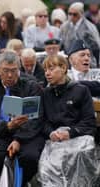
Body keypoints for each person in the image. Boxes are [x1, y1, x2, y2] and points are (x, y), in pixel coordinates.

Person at [0, 50, 45, 186]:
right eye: (5, 71)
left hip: (28, 135)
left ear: (19, 69)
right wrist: (7, 126)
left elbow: (36, 119)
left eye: (14, 70)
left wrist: (18, 139)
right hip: (2, 133)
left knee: (30, 157)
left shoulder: (31, 86)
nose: (10, 75)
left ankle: (21, 184)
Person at [39, 55, 98, 186]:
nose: (47, 73)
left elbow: (89, 122)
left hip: (78, 138)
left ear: (64, 68)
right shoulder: (46, 93)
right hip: (54, 140)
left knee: (81, 153)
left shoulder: (81, 90)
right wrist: (51, 133)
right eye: (45, 70)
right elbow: (42, 122)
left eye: (51, 69)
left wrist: (71, 133)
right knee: (48, 164)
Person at [60, 2, 100, 67]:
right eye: (70, 14)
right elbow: (61, 43)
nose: (71, 16)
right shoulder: (64, 26)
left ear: (81, 13)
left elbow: (97, 46)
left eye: (75, 14)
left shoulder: (89, 27)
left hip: (87, 61)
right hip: (69, 62)